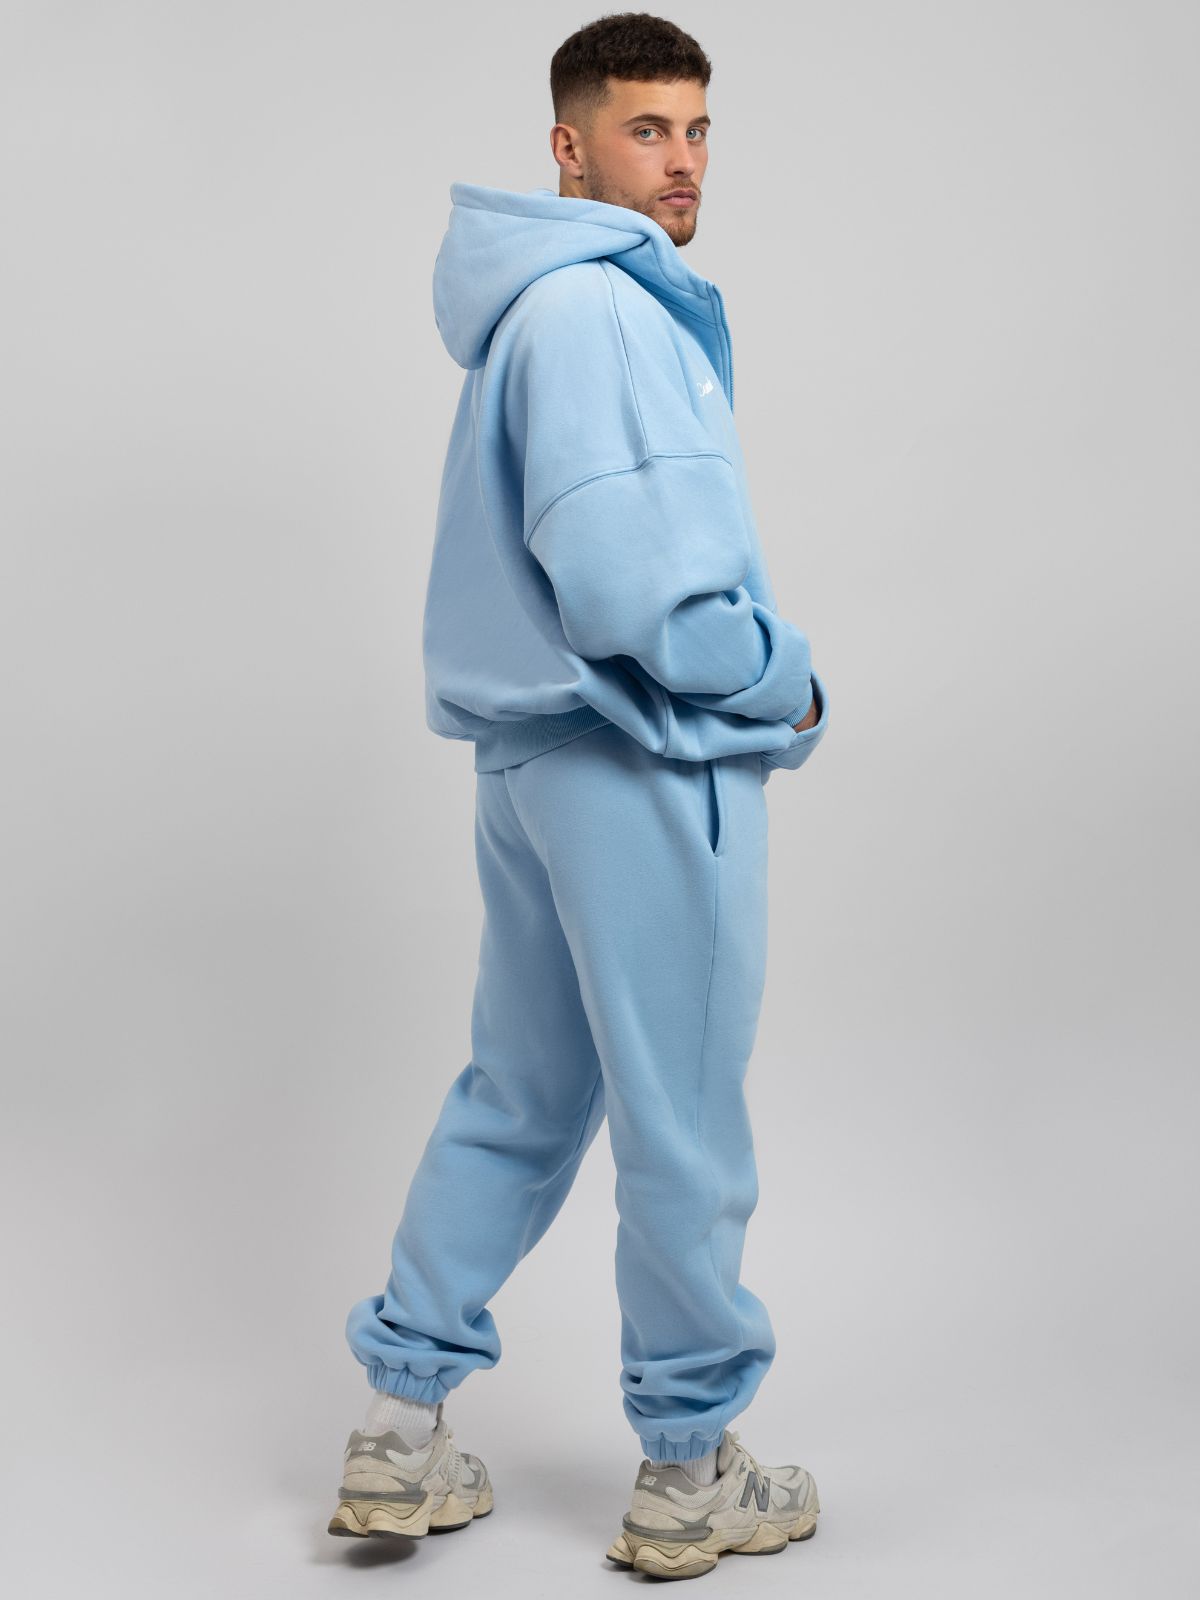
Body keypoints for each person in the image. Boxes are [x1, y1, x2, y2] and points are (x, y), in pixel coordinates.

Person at [328, 12, 828, 1579]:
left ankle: (399, 1431)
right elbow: (638, 592)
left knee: (523, 1096)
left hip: (530, 759)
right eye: (644, 129)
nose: (681, 162)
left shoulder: (527, 310)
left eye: (696, 130)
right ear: (569, 146)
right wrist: (783, 681)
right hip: (639, 757)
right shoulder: (602, 309)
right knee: (682, 1121)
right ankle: (687, 1466)